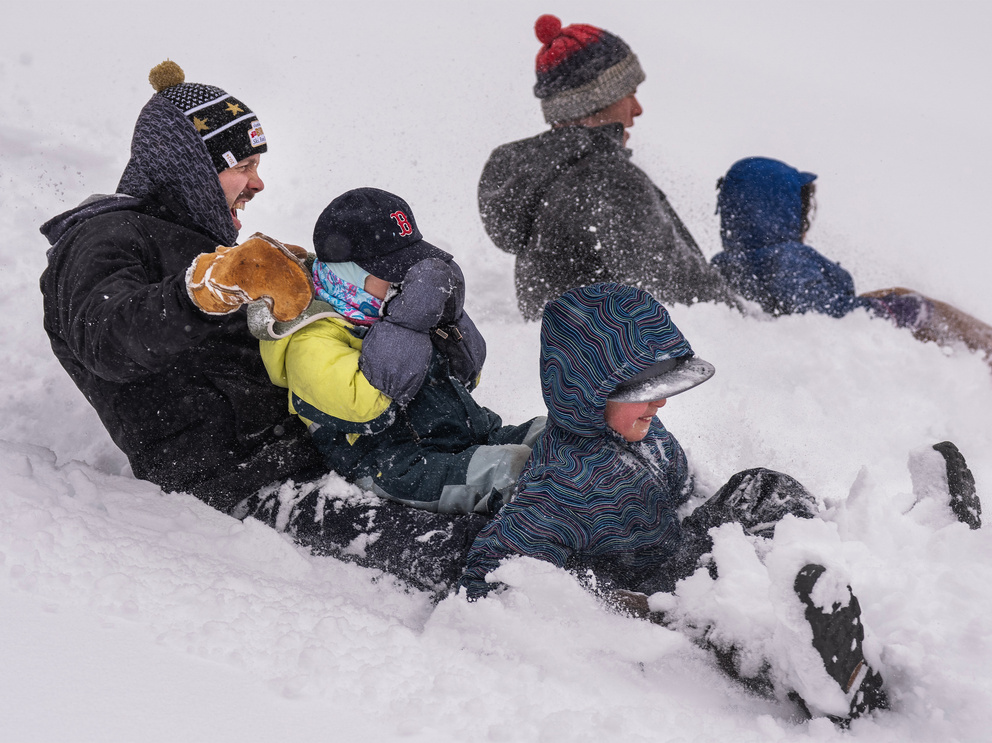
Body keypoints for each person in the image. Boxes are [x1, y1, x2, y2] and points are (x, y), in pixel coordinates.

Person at [39, 62, 501, 593]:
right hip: (247, 481)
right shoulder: (101, 238)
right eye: (245, 165)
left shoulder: (198, 240)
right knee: (450, 548)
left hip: (320, 446)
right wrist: (205, 288)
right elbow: (105, 338)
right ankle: (556, 600)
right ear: (187, 166)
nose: (259, 182)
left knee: (484, 477)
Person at [458, 283, 981, 723]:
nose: (661, 401)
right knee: (719, 613)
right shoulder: (558, 488)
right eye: (646, 388)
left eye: (665, 384)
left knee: (760, 484)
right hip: (658, 592)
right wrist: (601, 600)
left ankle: (895, 536)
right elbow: (491, 572)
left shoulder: (643, 431)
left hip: (681, 542)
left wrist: (728, 517)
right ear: (590, 389)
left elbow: (683, 489)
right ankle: (816, 671)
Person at [248, 187, 545, 516]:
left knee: (552, 433)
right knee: (512, 470)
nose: (406, 280)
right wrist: (407, 324)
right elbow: (367, 408)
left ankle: (595, 465)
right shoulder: (311, 341)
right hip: (398, 466)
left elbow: (465, 377)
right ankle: (573, 506)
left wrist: (450, 319)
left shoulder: (384, 311)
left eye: (411, 266)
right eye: (393, 271)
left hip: (460, 433)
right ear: (349, 274)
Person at [478, 14, 737, 321]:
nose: (637, 110)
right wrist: (749, 323)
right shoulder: (605, 179)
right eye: (629, 94)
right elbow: (686, 294)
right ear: (597, 100)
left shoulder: (550, 177)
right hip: (626, 363)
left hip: (575, 361)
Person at [712, 156, 992, 397]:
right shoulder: (786, 261)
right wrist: (895, 310)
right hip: (837, 354)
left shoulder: (728, 264)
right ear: (782, 212)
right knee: (924, 309)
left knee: (899, 294)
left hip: (816, 344)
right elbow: (821, 315)